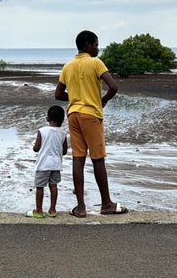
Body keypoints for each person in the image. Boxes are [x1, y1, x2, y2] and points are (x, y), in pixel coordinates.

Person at [55, 30, 128, 217]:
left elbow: (58, 95)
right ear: (88, 45)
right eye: (96, 44)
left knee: (78, 159)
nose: (98, 48)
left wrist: (76, 97)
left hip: (73, 114)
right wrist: (102, 100)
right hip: (90, 115)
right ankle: (106, 204)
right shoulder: (95, 62)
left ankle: (80, 208)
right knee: (98, 159)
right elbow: (113, 87)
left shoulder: (68, 66)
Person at [26, 105, 68, 218]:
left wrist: (34, 146)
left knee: (40, 187)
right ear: (62, 120)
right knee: (53, 186)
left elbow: (36, 148)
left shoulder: (42, 131)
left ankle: (39, 210)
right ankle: (52, 210)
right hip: (56, 165)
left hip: (43, 164)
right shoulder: (63, 133)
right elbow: (64, 151)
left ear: (47, 119)